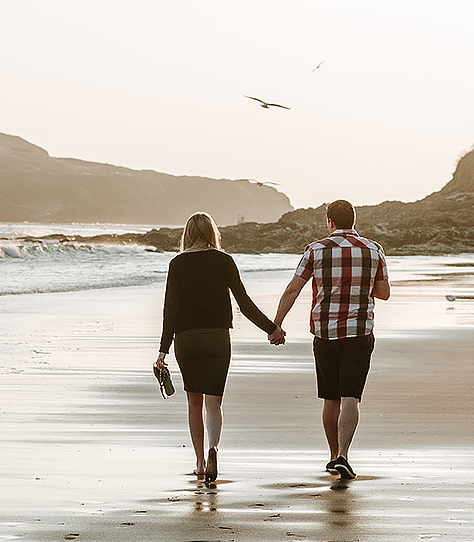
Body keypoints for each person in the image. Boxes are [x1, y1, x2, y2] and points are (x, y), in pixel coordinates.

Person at [155, 211, 285, 481]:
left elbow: (171, 310)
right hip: (217, 338)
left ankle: (200, 463)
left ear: (187, 234)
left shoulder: (177, 264)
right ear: (213, 233)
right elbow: (244, 303)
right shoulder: (224, 260)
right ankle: (214, 448)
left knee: (194, 403)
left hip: (187, 341)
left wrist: (163, 350)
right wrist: (272, 329)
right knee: (214, 404)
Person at [271, 199, 389, 479]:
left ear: (330, 222)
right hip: (359, 332)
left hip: (325, 333)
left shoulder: (315, 249)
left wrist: (276, 324)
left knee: (330, 397)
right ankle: (344, 456)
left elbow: (293, 289)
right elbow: (384, 293)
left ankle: (332, 455)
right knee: (351, 396)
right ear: (354, 221)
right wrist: (359, 286)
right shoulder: (373, 250)